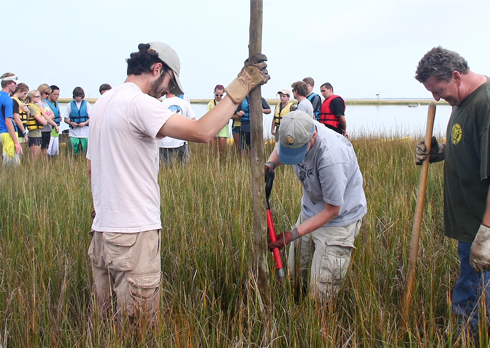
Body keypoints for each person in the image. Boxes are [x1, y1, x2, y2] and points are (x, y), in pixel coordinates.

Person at [87, 42, 269, 322]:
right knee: (140, 337)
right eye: (169, 81)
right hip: (134, 234)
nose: (165, 91)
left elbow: (91, 168)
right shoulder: (138, 103)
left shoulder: (103, 103)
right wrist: (241, 84)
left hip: (102, 234)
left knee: (107, 329)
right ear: (157, 69)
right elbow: (203, 131)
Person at [413, 46, 490, 330]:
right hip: (474, 222)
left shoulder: (489, 105)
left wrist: (488, 233)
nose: (436, 97)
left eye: (438, 89)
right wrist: (440, 151)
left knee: (469, 301)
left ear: (456, 76)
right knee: (489, 297)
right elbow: (472, 147)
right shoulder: (463, 100)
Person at [266, 111, 367, 303]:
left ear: (313, 135)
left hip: (338, 222)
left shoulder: (332, 156)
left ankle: (319, 327)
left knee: (321, 294)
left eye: (298, 150)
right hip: (310, 211)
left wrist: (292, 234)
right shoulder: (294, 129)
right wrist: (270, 165)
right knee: (295, 277)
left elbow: (332, 210)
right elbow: (281, 148)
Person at [159, 89, 197, 166]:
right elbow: (193, 121)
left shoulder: (161, 104)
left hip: (164, 143)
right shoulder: (184, 103)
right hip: (181, 141)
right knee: (183, 168)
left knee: (166, 170)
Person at [0, 73, 23, 165]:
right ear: (8, 84)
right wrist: (16, 142)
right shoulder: (8, 99)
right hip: (8, 133)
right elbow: (8, 121)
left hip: (2, 132)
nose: (16, 86)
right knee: (12, 165)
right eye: (14, 83)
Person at [207, 84, 232, 159]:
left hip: (223, 129)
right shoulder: (210, 104)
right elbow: (209, 118)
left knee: (222, 151)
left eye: (221, 95)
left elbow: (226, 119)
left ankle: (222, 164)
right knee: (213, 150)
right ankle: (214, 165)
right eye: (217, 95)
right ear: (214, 93)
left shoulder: (225, 103)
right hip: (212, 129)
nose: (219, 97)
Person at [25, 89, 51, 155]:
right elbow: (42, 121)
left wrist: (43, 120)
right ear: (31, 97)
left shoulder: (36, 107)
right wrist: (43, 120)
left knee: (38, 156)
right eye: (37, 96)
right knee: (35, 157)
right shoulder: (30, 107)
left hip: (38, 133)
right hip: (34, 134)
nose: (39, 98)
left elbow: (43, 120)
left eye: (39, 96)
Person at [66, 86, 90, 156]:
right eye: (76, 96)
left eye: (79, 96)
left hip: (85, 132)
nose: (78, 98)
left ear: (82, 96)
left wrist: (84, 123)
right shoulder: (69, 105)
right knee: (73, 152)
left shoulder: (87, 104)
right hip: (74, 133)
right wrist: (71, 123)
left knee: (85, 152)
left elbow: (91, 118)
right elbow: (65, 119)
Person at [44, 85, 63, 157]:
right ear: (49, 94)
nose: (57, 96)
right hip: (50, 130)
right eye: (55, 94)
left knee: (55, 153)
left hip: (56, 131)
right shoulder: (45, 104)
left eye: (58, 95)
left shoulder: (56, 103)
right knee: (47, 152)